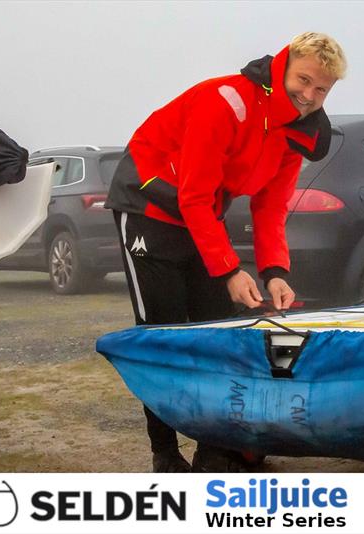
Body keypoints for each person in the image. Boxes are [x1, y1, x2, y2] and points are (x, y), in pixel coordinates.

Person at [105, 32, 346, 472]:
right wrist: (231, 270)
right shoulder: (227, 102)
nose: (309, 96)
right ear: (283, 69)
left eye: (322, 89)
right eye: (303, 79)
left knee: (215, 331)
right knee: (164, 333)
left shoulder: (297, 135)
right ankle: (165, 452)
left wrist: (274, 271)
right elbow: (194, 195)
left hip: (199, 215)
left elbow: (271, 206)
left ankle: (214, 449)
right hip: (148, 206)